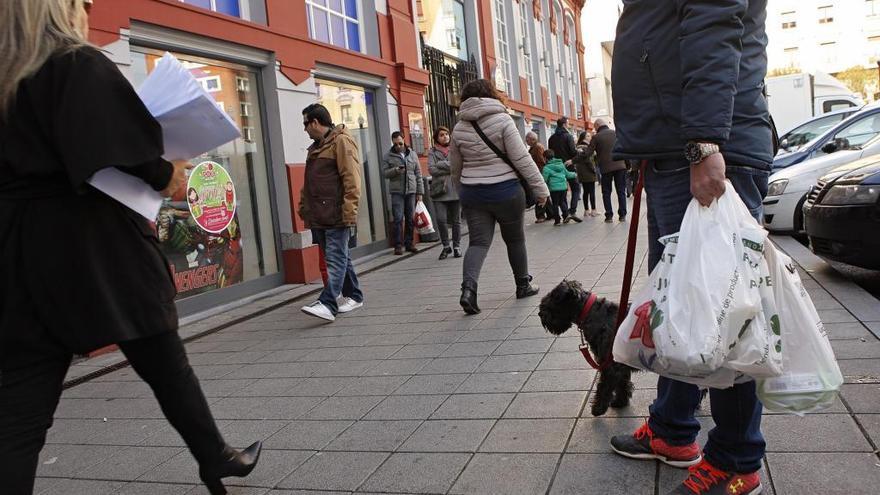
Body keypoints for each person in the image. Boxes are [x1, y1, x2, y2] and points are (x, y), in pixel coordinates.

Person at [0, 2, 261, 494]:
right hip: (94, 247)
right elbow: (131, 150)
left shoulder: (8, 78)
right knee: (164, 360)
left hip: (15, 252)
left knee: (18, 413)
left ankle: (216, 455)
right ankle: (214, 456)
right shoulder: (73, 63)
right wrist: (169, 174)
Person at [608, 1, 775, 494]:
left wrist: (704, 142)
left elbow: (713, 17)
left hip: (700, 144)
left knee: (727, 307)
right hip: (674, 143)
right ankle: (672, 428)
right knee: (677, 305)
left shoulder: (702, 143)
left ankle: (736, 459)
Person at [449, 79, 550, 314]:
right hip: (505, 190)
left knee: (478, 243)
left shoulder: (459, 128)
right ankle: (522, 284)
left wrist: (461, 191)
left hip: (473, 193)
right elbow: (521, 159)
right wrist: (541, 189)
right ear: (491, 94)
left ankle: (468, 290)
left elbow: (455, 167)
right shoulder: (503, 119)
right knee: (515, 240)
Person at [298, 103, 364, 322]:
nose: (305, 129)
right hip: (319, 214)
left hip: (336, 212)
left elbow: (352, 180)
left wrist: (349, 212)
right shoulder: (316, 147)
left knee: (334, 259)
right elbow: (309, 183)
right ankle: (354, 295)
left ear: (315, 122)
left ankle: (327, 303)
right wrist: (303, 206)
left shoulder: (341, 141)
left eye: (306, 124)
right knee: (338, 256)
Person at [384, 131, 424, 255]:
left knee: (410, 219)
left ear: (404, 140)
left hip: (411, 191)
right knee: (398, 218)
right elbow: (385, 173)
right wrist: (396, 170)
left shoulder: (412, 154)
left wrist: (420, 192)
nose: (398, 146)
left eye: (400, 143)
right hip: (397, 192)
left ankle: (409, 243)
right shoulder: (388, 156)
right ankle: (398, 245)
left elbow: (418, 173)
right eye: (395, 144)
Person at [428, 126, 462, 259]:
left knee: (456, 221)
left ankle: (457, 246)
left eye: (447, 134)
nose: (445, 137)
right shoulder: (432, 152)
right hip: (439, 191)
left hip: (455, 189)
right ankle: (446, 246)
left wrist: (441, 164)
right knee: (441, 220)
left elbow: (459, 166)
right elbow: (431, 170)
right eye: (441, 135)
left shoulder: (455, 149)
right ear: (437, 137)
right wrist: (450, 166)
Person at [589, 118, 628, 223]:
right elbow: (625, 149)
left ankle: (609, 216)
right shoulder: (616, 133)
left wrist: (573, 160)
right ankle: (622, 215)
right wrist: (627, 165)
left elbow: (588, 153)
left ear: (597, 126)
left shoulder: (596, 137)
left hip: (606, 168)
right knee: (621, 191)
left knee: (606, 192)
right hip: (620, 166)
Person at [547, 116, 582, 221]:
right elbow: (572, 152)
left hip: (556, 167)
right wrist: (578, 151)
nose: (568, 125)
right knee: (576, 188)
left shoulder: (551, 138)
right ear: (564, 124)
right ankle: (572, 211)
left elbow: (551, 153)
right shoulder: (568, 136)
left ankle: (565, 213)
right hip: (568, 165)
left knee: (563, 190)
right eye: (568, 123)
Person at [541, 149, 578, 226]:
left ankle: (557, 220)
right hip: (563, 188)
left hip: (554, 189)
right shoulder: (561, 164)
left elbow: (544, 179)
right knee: (562, 202)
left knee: (555, 204)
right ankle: (566, 216)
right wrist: (575, 174)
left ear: (545, 158)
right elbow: (567, 174)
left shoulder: (546, 168)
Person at [572, 131, 599, 217]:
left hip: (581, 172)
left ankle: (586, 210)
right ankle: (594, 210)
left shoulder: (578, 147)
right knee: (591, 191)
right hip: (588, 171)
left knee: (585, 192)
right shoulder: (586, 147)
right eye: (588, 136)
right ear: (584, 138)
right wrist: (594, 170)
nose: (590, 137)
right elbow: (588, 160)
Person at [526, 131, 550, 223]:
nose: (526, 141)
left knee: (539, 194)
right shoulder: (534, 148)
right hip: (539, 172)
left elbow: (541, 160)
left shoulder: (537, 147)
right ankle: (550, 213)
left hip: (539, 172)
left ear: (532, 139)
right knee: (544, 193)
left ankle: (541, 215)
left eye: (527, 139)